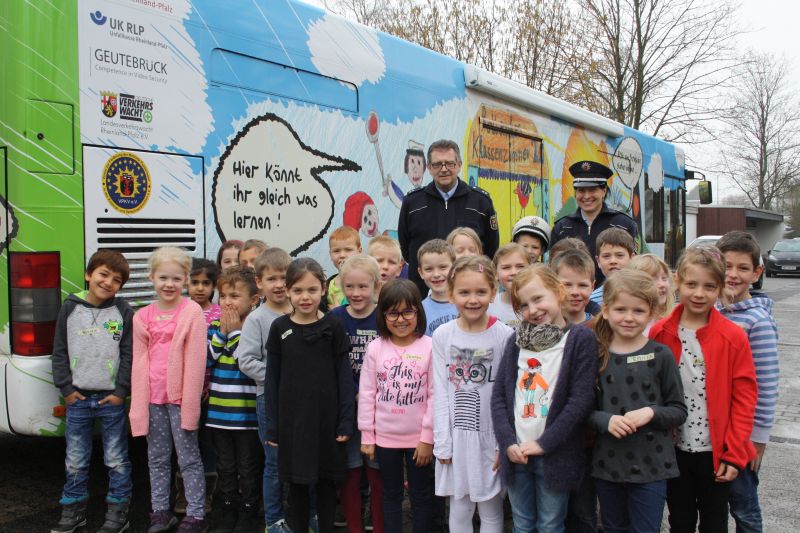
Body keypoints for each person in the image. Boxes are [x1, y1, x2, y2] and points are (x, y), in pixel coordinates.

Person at [649, 246, 758, 533]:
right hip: (673, 450)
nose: (699, 293)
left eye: (709, 286)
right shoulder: (659, 332)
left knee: (714, 522)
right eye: (691, 284)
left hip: (715, 451)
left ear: (720, 289)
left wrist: (734, 455)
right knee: (680, 520)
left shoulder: (733, 336)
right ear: (678, 283)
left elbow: (745, 399)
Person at [491, 264, 598, 533]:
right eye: (524, 305)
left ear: (558, 292)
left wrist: (544, 443)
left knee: (551, 525)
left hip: (555, 454)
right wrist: (507, 443)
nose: (533, 310)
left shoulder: (579, 339)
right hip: (517, 454)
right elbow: (500, 399)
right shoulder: (516, 340)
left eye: (538, 299)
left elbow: (581, 400)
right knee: (523, 524)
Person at [590, 270, 687, 532]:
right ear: (607, 310)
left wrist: (651, 413)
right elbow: (584, 409)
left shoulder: (661, 355)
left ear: (652, 313)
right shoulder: (596, 354)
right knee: (612, 527)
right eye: (621, 309)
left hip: (652, 467)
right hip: (607, 465)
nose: (629, 318)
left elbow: (678, 410)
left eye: (638, 311)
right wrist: (605, 419)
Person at [265, 258, 355, 533]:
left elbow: (344, 377)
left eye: (312, 290)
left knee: (327, 485)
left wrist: (345, 421)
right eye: (298, 290)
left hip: (327, 424)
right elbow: (272, 380)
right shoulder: (280, 328)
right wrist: (273, 427)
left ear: (323, 289)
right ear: (288, 291)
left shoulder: (334, 327)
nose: (305, 297)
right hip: (294, 425)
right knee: (298, 488)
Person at [51, 250, 134, 533]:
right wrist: (67, 389)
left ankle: (118, 514)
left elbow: (129, 354)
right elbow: (59, 351)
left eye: (116, 279)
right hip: (79, 399)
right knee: (76, 458)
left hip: (111, 399)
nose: (108, 282)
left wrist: (121, 391)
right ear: (88, 274)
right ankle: (74, 511)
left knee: (116, 457)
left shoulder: (123, 312)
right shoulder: (70, 308)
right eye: (103, 274)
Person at [129, 247, 209, 533]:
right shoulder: (142, 316)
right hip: (153, 398)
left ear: (185, 279)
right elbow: (139, 361)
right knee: (157, 457)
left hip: (180, 399)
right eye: (163, 277)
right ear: (151, 277)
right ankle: (160, 512)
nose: (169, 284)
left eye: (176, 278)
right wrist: (138, 403)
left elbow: (197, 359)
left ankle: (196, 514)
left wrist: (190, 401)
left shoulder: (191, 312)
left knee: (188, 457)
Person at [432, 256, 514, 533]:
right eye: (464, 292)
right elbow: (441, 391)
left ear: (493, 292)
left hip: (491, 438)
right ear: (451, 293)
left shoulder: (504, 336)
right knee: (460, 507)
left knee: (491, 508)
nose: (473, 299)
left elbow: (508, 393)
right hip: (456, 438)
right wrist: (442, 441)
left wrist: (505, 442)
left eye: (481, 292)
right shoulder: (443, 335)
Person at [358, 279, 434, 533]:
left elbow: (435, 396)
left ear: (418, 313)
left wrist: (427, 438)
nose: (400, 319)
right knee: (390, 495)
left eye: (407, 311)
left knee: (421, 496)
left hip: (419, 442)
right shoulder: (375, 348)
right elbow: (367, 394)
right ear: (383, 315)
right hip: (384, 439)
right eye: (393, 313)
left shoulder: (430, 347)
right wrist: (367, 436)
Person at [716, 231, 779, 532]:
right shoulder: (709, 312)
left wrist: (758, 439)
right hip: (713, 431)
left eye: (742, 268)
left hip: (741, 435)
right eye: (726, 266)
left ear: (756, 273)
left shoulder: (757, 322)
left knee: (744, 506)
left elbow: (766, 385)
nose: (733, 274)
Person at [398, 139, 500, 295]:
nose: (444, 169)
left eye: (450, 164)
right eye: (437, 164)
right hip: (422, 297)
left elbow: (490, 251)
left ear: (459, 165)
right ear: (429, 168)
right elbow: (407, 251)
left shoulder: (481, 202)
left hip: (467, 295)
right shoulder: (412, 203)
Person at [237, 248, 293, 532]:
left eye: (284, 277)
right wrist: (277, 380)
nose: (279, 284)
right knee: (274, 463)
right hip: (269, 400)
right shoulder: (257, 319)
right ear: (259, 282)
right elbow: (245, 360)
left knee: (298, 460)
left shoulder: (301, 311)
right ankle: (274, 519)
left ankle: (297, 515)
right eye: (272, 278)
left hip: (300, 401)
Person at [329, 255, 385, 533]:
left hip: (379, 410)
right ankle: (354, 526)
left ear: (376, 286)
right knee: (351, 471)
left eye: (363, 286)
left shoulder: (384, 317)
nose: (356, 293)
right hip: (347, 410)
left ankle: (379, 525)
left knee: (377, 472)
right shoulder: (335, 319)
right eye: (349, 287)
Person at [207, 266, 263, 532]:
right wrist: (222, 333)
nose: (227, 302)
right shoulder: (214, 327)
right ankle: (227, 508)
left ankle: (250, 510)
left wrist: (236, 333)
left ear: (253, 300)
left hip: (247, 416)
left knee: (248, 466)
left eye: (234, 296)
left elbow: (246, 363)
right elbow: (208, 358)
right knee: (225, 466)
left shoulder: (255, 326)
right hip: (219, 414)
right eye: (223, 296)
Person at [176, 258, 221, 515]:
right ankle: (184, 494)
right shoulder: (180, 311)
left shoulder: (218, 315)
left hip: (210, 392)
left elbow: (217, 353)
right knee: (184, 443)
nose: (200, 288)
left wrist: (207, 386)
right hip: (183, 392)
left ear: (214, 286)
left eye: (206, 283)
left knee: (207, 444)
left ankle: (207, 495)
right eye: (195, 282)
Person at [551, 161, 638, 285]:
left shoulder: (624, 224)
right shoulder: (562, 226)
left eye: (592, 190)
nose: (586, 196)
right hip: (572, 295)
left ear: (603, 191)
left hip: (615, 293)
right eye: (581, 190)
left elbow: (635, 266)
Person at [418, 239, 458, 336]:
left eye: (443, 267)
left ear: (454, 269)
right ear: (421, 273)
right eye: (429, 269)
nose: (436, 274)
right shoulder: (419, 310)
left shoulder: (468, 304)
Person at [627, 254, 675, 333]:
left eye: (664, 278)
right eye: (653, 279)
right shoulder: (627, 325)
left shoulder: (676, 322)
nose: (662, 284)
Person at [551, 249, 600, 324]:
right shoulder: (542, 327)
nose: (575, 292)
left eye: (582, 285)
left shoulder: (600, 329)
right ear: (554, 285)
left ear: (592, 287)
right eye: (567, 285)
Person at [589, 227, 636, 304]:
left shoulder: (644, 294)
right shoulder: (592, 301)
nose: (613, 261)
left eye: (619, 255)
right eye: (606, 256)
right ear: (598, 261)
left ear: (632, 258)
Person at [489, 243, 531, 328]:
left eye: (520, 266)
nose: (514, 272)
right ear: (496, 273)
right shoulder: (489, 306)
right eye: (506, 267)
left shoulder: (537, 306)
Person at [327, 225, 363, 309]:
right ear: (330, 254)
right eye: (336, 251)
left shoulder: (367, 282)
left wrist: (339, 311)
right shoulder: (326, 286)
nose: (342, 255)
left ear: (359, 251)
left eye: (348, 250)